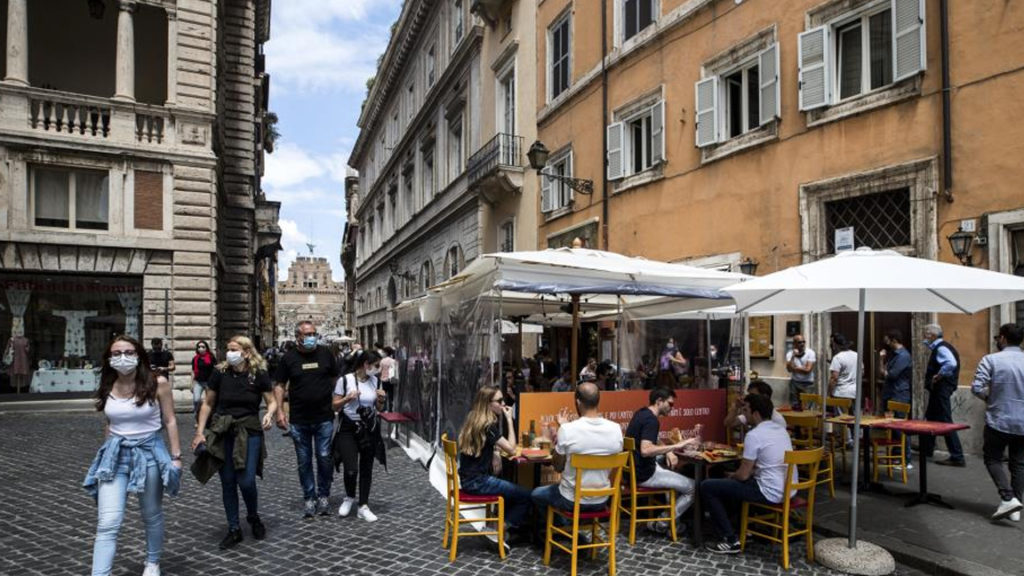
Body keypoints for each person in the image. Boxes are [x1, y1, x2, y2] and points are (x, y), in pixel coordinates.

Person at [84, 336, 182, 576]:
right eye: (116, 353)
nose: (123, 357)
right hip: (116, 456)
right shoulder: (108, 385)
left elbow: (169, 420)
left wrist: (176, 456)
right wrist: (106, 452)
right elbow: (110, 423)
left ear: (139, 355)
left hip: (148, 454)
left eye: (128, 352)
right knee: (108, 522)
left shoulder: (158, 383)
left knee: (151, 514)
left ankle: (152, 562)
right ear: (108, 359)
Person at [191, 336, 277, 549]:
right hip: (223, 431)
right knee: (228, 481)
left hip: (249, 431)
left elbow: (273, 401)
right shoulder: (220, 373)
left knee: (246, 480)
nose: (229, 353)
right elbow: (208, 403)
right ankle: (233, 528)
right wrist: (200, 432)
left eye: (234, 349)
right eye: (228, 349)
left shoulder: (259, 374)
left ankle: (253, 516)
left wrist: (269, 414)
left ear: (247, 352)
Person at [701, 393, 795, 554]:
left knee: (707, 486)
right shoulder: (781, 430)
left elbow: (743, 475)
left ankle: (730, 539)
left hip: (768, 491)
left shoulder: (754, 435)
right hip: (788, 489)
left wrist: (732, 476)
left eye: (745, 410)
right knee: (729, 484)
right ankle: (741, 528)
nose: (743, 414)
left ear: (756, 413)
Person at [531, 382, 624, 524]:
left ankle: (562, 528)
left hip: (572, 500)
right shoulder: (616, 429)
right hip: (602, 500)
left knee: (536, 494)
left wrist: (563, 427)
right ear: (598, 401)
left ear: (578, 402)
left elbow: (558, 467)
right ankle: (573, 528)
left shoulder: (568, 430)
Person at [274, 321, 340, 517]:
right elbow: (279, 385)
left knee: (324, 458)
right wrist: (279, 411)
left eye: (314, 333)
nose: (312, 337)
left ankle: (324, 496)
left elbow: (335, 379)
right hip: (299, 419)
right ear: (298, 337)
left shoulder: (326, 354)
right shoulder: (288, 358)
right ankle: (309, 498)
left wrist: (336, 401)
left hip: (324, 417)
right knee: (304, 461)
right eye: (308, 334)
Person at [456, 385, 531, 541]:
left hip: (468, 480)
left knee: (511, 490)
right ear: (488, 404)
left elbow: (488, 443)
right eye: (499, 400)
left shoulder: (473, 418)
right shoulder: (488, 426)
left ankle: (502, 528)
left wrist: (495, 452)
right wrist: (510, 420)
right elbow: (511, 449)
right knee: (525, 495)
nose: (503, 404)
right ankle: (498, 530)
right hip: (479, 482)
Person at [625, 387, 699, 533]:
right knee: (693, 487)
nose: (672, 408)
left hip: (633, 469)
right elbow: (646, 450)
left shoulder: (641, 413)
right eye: (670, 404)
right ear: (659, 401)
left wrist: (669, 451)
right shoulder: (652, 421)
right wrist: (678, 445)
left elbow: (652, 439)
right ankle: (663, 523)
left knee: (672, 467)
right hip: (645, 473)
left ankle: (675, 525)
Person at [971, 323, 1024, 522]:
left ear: (1002, 338)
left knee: (992, 458)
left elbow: (977, 387)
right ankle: (1016, 506)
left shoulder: (991, 359)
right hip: (1023, 422)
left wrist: (990, 398)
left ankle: (1008, 498)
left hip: (999, 419)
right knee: (1018, 463)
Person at [333, 349, 387, 522]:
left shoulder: (376, 381)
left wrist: (381, 400)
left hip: (368, 428)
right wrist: (348, 398)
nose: (378, 369)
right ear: (366, 364)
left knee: (366, 468)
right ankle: (349, 497)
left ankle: (363, 505)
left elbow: (378, 409)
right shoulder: (345, 380)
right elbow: (334, 406)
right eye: (376, 365)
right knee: (351, 468)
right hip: (348, 428)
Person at [920, 323, 965, 466]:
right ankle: (927, 449)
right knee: (931, 418)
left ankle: (957, 456)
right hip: (939, 389)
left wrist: (938, 376)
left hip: (941, 388)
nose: (924, 337)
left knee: (946, 421)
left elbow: (950, 364)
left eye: (926, 334)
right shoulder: (941, 347)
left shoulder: (941, 348)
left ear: (932, 335)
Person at [879, 330, 913, 465]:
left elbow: (891, 375)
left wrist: (881, 361)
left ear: (894, 340)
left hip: (899, 394)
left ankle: (906, 460)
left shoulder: (903, 356)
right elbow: (884, 373)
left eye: (887, 340)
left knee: (901, 427)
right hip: (891, 393)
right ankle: (896, 456)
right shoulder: (894, 355)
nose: (886, 343)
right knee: (893, 428)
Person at [785, 335, 816, 410]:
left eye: (803, 342)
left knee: (807, 407)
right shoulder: (790, 354)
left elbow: (807, 370)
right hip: (795, 383)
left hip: (808, 383)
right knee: (795, 405)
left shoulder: (810, 353)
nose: (802, 344)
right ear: (794, 344)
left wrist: (795, 368)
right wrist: (793, 356)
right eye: (799, 342)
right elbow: (789, 369)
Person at [828, 333, 859, 401]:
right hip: (854, 392)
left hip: (840, 393)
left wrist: (829, 393)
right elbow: (861, 372)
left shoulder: (837, 358)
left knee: (842, 411)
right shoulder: (857, 355)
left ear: (835, 345)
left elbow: (834, 378)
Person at [191, 340, 217, 415]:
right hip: (198, 382)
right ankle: (197, 416)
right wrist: (191, 383)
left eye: (203, 347)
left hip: (209, 382)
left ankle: (209, 417)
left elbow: (215, 368)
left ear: (206, 348)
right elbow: (193, 371)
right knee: (196, 400)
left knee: (210, 401)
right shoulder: (195, 359)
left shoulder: (211, 358)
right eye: (199, 347)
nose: (201, 348)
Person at [380, 346, 399, 412]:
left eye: (383, 352)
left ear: (386, 352)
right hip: (391, 380)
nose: (382, 353)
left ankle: (384, 408)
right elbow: (396, 371)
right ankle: (390, 409)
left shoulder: (382, 361)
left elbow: (380, 370)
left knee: (384, 395)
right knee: (391, 395)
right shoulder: (394, 361)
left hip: (384, 380)